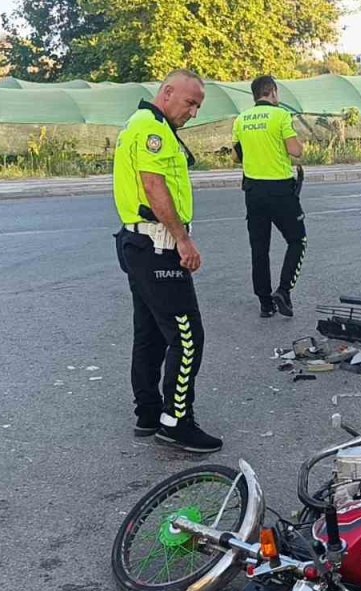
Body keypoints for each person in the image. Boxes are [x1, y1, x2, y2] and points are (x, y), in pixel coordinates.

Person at [112, 69, 222, 453]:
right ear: (168, 92)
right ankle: (176, 422)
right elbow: (153, 186)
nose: (193, 112)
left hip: (137, 244)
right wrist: (183, 239)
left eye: (198, 106)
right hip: (157, 246)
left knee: (150, 333)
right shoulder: (152, 128)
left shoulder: (139, 123)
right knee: (187, 336)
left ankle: (148, 412)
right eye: (190, 103)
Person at [233, 75, 306, 318]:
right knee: (297, 240)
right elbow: (295, 151)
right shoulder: (281, 116)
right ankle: (283, 291)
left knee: (259, 247)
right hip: (280, 190)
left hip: (253, 191)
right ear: (273, 92)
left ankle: (265, 303)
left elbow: (237, 156)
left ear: (255, 95)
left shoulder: (241, 120)